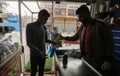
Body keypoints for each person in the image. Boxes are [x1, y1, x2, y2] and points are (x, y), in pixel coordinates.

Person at [60, 5, 114, 76]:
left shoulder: (101, 25)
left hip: (99, 61)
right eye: (78, 17)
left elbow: (109, 43)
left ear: (87, 14)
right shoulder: (82, 26)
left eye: (81, 17)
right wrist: (63, 37)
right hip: (86, 59)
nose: (79, 19)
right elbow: (75, 37)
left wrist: (108, 60)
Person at [26, 9, 56, 76]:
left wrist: (52, 42)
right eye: (44, 19)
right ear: (39, 16)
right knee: (33, 72)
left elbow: (45, 40)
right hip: (34, 55)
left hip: (43, 54)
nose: (45, 21)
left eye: (46, 19)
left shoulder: (44, 27)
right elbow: (29, 43)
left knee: (41, 71)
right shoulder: (30, 26)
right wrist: (39, 52)